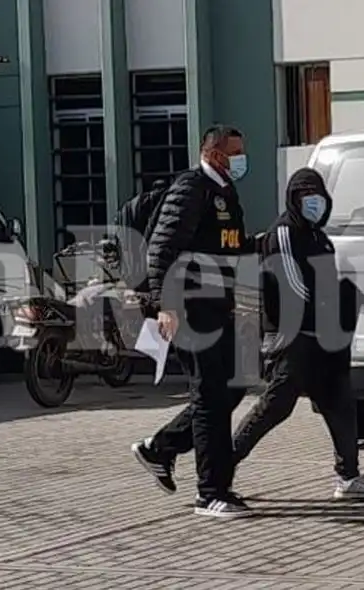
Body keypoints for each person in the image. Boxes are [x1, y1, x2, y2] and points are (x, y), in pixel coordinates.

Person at [232, 167, 364, 499]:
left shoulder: (320, 237)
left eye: (317, 196)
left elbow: (327, 283)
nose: (313, 203)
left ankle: (349, 477)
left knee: (341, 403)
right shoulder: (284, 234)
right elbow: (294, 290)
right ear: (293, 199)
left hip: (323, 338)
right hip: (293, 338)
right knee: (276, 406)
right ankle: (222, 465)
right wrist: (332, 308)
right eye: (306, 197)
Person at [130, 125, 259, 519]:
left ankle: (161, 448)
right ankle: (211, 492)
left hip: (218, 307)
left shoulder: (224, 190)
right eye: (236, 152)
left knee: (232, 389)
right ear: (216, 153)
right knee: (209, 398)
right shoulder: (192, 188)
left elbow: (230, 248)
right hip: (188, 308)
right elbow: (162, 248)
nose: (242, 159)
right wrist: (163, 304)